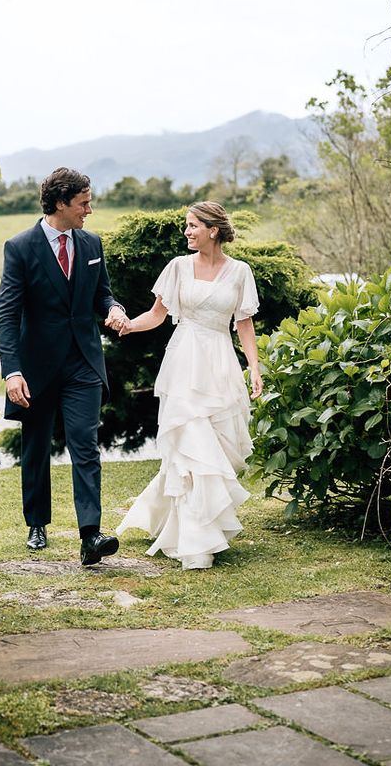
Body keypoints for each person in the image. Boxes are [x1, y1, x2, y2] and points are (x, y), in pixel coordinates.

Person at [114, 201, 263, 570]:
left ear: (213, 229)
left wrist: (255, 367)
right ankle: (197, 543)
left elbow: (243, 324)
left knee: (220, 450)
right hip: (184, 364)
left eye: (193, 225)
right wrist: (130, 325)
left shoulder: (240, 271)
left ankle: (187, 522)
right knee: (193, 449)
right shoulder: (178, 267)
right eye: (186, 225)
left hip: (221, 364)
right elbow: (157, 314)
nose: (187, 232)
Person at [0, 167, 127, 566]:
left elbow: (102, 295)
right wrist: (12, 370)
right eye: (84, 203)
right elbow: (7, 312)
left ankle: (91, 535)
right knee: (36, 446)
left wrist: (115, 309)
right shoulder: (20, 247)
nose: (90, 209)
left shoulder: (92, 244)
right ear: (60, 203)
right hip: (35, 367)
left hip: (83, 362)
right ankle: (37, 523)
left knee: (84, 444)